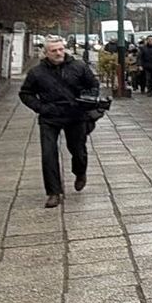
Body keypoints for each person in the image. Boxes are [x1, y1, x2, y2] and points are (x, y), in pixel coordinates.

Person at [18, 36, 101, 209]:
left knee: (78, 150)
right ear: (46, 53)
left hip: (75, 115)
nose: (58, 53)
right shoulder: (37, 72)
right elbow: (25, 93)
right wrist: (41, 107)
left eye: (61, 49)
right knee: (48, 154)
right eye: (54, 50)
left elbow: (93, 85)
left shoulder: (79, 66)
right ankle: (53, 193)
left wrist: (87, 101)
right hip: (50, 116)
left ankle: (80, 172)